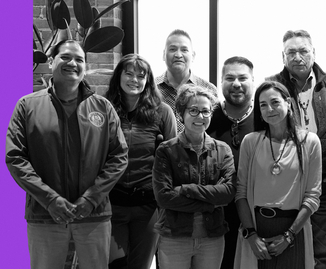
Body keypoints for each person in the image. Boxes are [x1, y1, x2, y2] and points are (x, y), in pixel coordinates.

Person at [5, 39, 128, 269]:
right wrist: (50, 200)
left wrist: (92, 198)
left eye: (79, 59)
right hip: (44, 215)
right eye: (66, 57)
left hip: (94, 214)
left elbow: (119, 156)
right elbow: (15, 157)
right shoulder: (27, 106)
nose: (73, 63)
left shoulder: (102, 107)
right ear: (51, 61)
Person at [265, 29, 326, 269]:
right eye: (291, 52)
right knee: (289, 248)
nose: (297, 57)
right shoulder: (272, 85)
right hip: (286, 184)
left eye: (303, 51)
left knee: (324, 250)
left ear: (313, 53)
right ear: (283, 56)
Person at [234, 81, 322, 269]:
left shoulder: (310, 142)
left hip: (293, 230)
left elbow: (313, 197)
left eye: (275, 102)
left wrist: (288, 236)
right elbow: (240, 193)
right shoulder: (251, 142)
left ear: (288, 103)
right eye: (263, 105)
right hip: (256, 229)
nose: (269, 109)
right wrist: (251, 235)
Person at [104, 54, 177, 269]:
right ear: (119, 76)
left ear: (148, 81)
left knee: (140, 266)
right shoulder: (103, 109)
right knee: (115, 265)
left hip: (147, 206)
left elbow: (172, 160)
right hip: (112, 203)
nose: (134, 80)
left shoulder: (163, 112)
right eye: (129, 73)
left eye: (140, 75)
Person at [153, 85, 236, 269]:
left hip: (212, 236)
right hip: (174, 236)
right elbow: (164, 197)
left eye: (205, 111)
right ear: (181, 114)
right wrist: (211, 203)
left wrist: (185, 189)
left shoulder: (222, 150)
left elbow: (228, 193)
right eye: (193, 110)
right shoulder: (166, 150)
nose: (200, 117)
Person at [207, 56, 255, 269]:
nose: (236, 84)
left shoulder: (265, 118)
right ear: (221, 82)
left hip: (255, 214)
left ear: (253, 81)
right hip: (215, 215)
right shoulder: (208, 117)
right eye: (230, 78)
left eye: (243, 78)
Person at [155, 29, 217, 134]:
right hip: (160, 150)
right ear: (163, 55)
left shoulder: (208, 89)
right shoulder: (152, 88)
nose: (178, 55)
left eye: (184, 50)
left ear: (193, 55)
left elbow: (213, 128)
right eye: (172, 49)